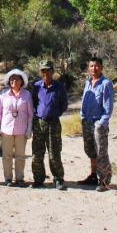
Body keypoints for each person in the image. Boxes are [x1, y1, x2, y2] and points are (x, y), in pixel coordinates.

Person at [30, 59, 69, 190]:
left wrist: (54, 113)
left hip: (53, 123)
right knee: (37, 153)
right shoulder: (36, 86)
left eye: (48, 70)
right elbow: (34, 103)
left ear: (53, 71)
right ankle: (38, 179)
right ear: (41, 72)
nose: (45, 73)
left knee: (54, 153)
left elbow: (64, 105)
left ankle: (58, 179)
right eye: (43, 71)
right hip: (39, 123)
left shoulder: (59, 87)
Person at [78, 57, 113, 192]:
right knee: (91, 150)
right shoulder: (88, 82)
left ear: (102, 67)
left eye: (97, 66)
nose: (94, 68)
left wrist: (102, 123)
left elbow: (108, 107)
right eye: (91, 66)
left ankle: (104, 180)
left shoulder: (106, 84)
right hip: (87, 121)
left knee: (101, 151)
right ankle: (93, 176)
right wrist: (82, 117)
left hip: (98, 122)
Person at [0, 69, 34, 187]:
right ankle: (8, 178)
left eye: (17, 79)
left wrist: (29, 130)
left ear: (22, 81)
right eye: (12, 79)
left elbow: (30, 114)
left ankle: (20, 178)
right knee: (7, 156)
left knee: (20, 156)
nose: (14, 81)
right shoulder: (3, 95)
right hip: (6, 130)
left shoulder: (27, 95)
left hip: (21, 131)